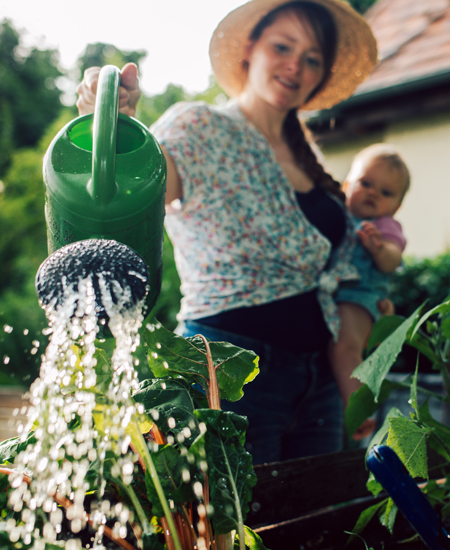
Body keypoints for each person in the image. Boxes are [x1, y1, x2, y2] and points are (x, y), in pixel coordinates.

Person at [76, 0, 378, 464]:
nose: (296, 65)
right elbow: (141, 187)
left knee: (312, 527)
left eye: (313, 57)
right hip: (226, 369)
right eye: (283, 46)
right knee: (234, 528)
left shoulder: (309, 158)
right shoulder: (199, 126)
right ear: (250, 49)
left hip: (318, 380)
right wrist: (116, 128)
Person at [330, 144, 410, 440]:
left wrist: (379, 249)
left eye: (387, 193)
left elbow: (393, 259)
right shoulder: (338, 213)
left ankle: (359, 410)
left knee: (346, 347)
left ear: (396, 206)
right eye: (365, 183)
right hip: (334, 294)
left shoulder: (386, 226)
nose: (373, 193)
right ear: (347, 185)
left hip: (359, 297)